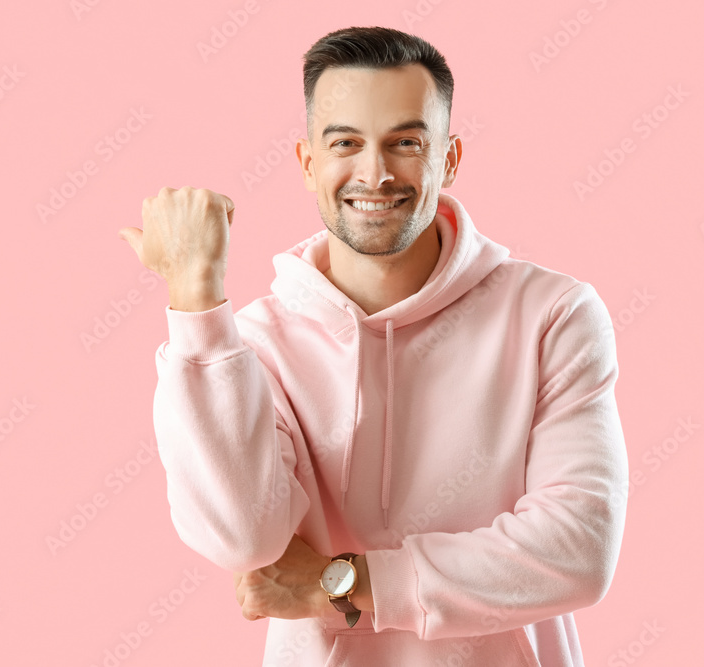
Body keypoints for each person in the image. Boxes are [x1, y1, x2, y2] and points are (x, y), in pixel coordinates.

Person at [118, 25, 628, 667]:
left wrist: (342, 584)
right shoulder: (252, 345)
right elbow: (243, 539)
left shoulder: (552, 314)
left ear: (450, 159)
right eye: (346, 143)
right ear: (309, 163)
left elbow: (577, 550)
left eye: (405, 143)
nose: (376, 174)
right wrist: (195, 298)